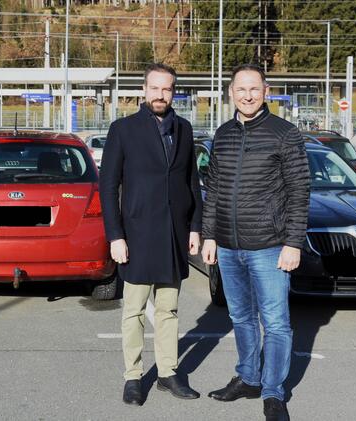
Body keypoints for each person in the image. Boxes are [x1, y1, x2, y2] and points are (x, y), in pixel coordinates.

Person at [201, 64, 310, 421]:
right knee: (241, 317)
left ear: (266, 91)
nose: (247, 96)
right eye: (240, 89)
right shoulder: (223, 133)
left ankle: (273, 392)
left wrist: (293, 242)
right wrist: (209, 235)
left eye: (254, 89)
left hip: (269, 246)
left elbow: (299, 191)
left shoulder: (285, 133)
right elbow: (214, 190)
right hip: (229, 248)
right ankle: (248, 377)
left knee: (276, 322)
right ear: (230, 92)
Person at [99, 63, 203, 406]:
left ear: (174, 92)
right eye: (156, 88)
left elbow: (192, 183)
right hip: (137, 235)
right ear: (144, 90)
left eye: (168, 89)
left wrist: (195, 227)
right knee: (133, 311)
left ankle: (168, 373)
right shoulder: (123, 130)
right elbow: (108, 186)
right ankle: (132, 377)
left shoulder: (184, 130)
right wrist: (115, 235)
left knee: (169, 310)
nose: (161, 95)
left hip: (173, 235)